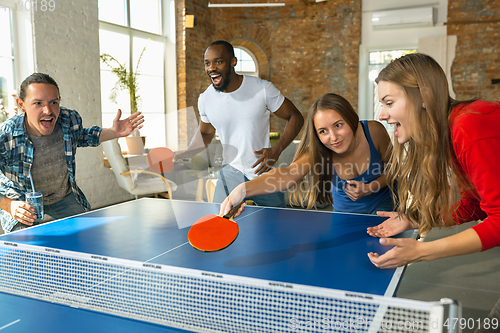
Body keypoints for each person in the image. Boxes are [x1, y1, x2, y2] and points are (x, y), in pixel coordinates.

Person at [366, 53, 500, 272]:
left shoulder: (468, 126)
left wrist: (421, 251)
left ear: (424, 98)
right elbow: (475, 204)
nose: (382, 115)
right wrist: (415, 218)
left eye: (389, 103)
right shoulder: (448, 135)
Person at [0, 73, 144, 233]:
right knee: (22, 249)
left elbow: (82, 136)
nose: (47, 110)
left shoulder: (69, 119)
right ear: (21, 104)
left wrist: (113, 132)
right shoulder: (6, 134)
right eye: (38, 103)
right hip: (23, 202)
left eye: (53, 102)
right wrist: (8, 204)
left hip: (62, 195)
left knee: (88, 236)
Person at [220, 93, 395, 216]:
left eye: (338, 125)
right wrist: (241, 190)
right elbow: (287, 174)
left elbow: (396, 169)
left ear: (351, 118)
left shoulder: (373, 131)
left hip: (384, 205)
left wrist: (369, 188)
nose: (333, 137)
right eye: (323, 131)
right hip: (345, 214)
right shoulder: (318, 149)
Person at [195, 40, 304, 207]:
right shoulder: (205, 99)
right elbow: (205, 133)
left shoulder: (262, 88)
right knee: (219, 223)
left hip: (264, 172)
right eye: (207, 63)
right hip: (231, 171)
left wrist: (277, 149)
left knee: (278, 226)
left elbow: (295, 116)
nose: (211, 68)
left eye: (218, 61)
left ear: (233, 62)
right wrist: (185, 156)